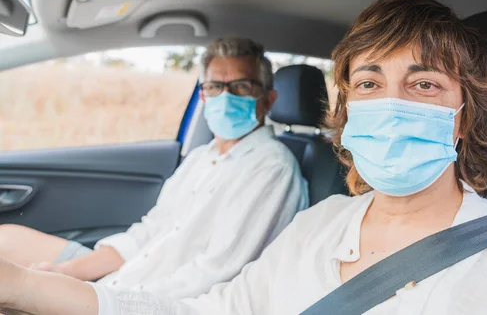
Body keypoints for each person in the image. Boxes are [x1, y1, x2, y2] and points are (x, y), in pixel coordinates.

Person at [0, 0, 487, 315]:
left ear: (463, 116)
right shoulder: (321, 225)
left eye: (423, 85)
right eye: (367, 84)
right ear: (347, 111)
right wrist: (29, 290)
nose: (390, 103)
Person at [0, 37, 308, 301]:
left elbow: (215, 275)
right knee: (7, 239)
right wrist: (65, 273)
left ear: (267, 100)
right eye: (215, 86)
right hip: (130, 276)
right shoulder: (202, 157)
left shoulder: (271, 169)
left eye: (241, 86)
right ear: (203, 95)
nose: (225, 97)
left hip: (153, 300)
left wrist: (101, 298)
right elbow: (150, 231)